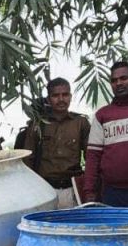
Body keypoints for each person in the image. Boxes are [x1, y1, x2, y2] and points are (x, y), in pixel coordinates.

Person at [83, 61, 128, 206]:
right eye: (114, 80)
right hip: (112, 192)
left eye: (124, 78)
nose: (119, 83)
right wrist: (89, 192)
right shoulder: (102, 115)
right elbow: (93, 157)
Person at [21, 78, 90, 208]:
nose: (61, 99)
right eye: (56, 95)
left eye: (65, 94)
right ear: (48, 99)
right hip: (45, 190)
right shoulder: (38, 124)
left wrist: (89, 187)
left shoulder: (81, 123)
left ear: (70, 96)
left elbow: (91, 157)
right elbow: (28, 159)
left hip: (73, 190)